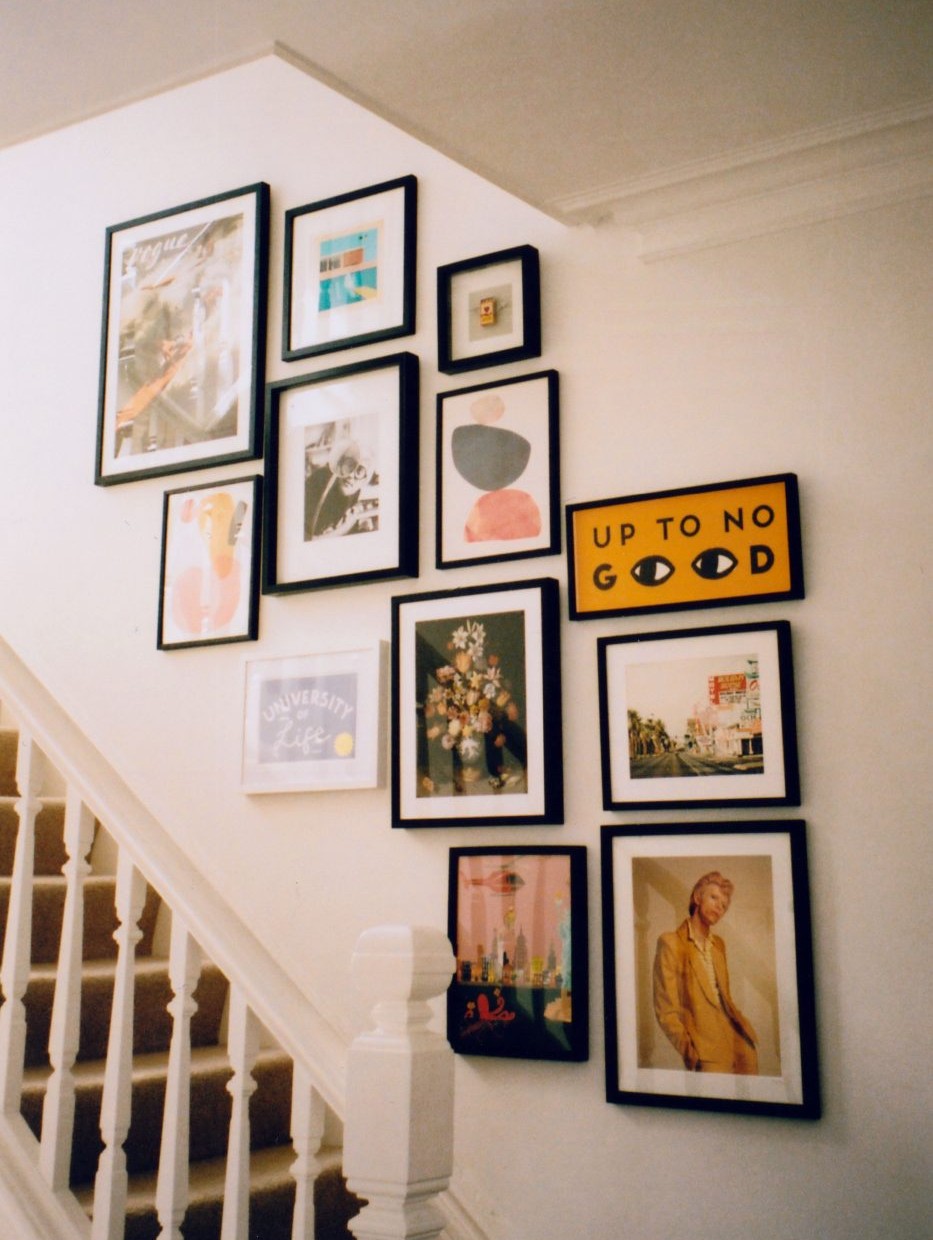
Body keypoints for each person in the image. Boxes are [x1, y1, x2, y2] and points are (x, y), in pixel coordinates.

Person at [652, 870, 759, 1074]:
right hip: (706, 1051)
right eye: (714, 897)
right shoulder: (670, 943)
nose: (719, 906)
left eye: (724, 905)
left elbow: (723, 998)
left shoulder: (719, 945)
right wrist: (691, 1053)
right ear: (697, 897)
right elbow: (666, 1011)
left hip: (741, 1045)